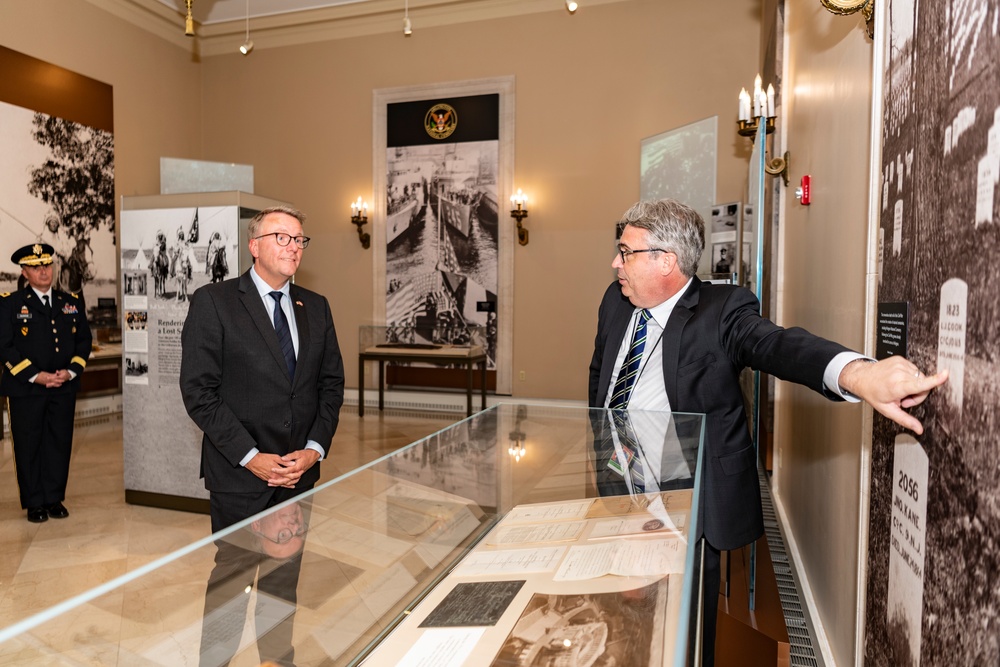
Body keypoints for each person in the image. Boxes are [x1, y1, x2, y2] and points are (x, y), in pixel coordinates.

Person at [588, 199, 948, 666]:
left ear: (666, 260)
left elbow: (777, 345)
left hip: (688, 496)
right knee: (624, 601)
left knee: (688, 618)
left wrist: (858, 374)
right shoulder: (615, 301)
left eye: (625, 251)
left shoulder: (722, 310)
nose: (616, 262)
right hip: (620, 480)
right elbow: (601, 372)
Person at [180, 205, 345, 666]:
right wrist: (251, 456)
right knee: (233, 579)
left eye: (299, 239)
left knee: (284, 575)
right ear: (254, 246)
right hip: (239, 474)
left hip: (298, 475)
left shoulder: (315, 306)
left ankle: (277, 660)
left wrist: (313, 450)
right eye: (282, 237)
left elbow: (330, 386)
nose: (293, 246)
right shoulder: (214, 302)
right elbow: (199, 392)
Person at [0, 243, 92, 523]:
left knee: (59, 442)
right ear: (25, 272)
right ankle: (34, 502)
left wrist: (71, 372)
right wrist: (36, 375)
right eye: (36, 267)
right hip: (26, 388)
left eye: (47, 265)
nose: (44, 271)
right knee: (29, 444)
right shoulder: (10, 304)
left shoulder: (71, 302)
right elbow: (5, 346)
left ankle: (54, 498)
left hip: (63, 387)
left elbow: (84, 341)